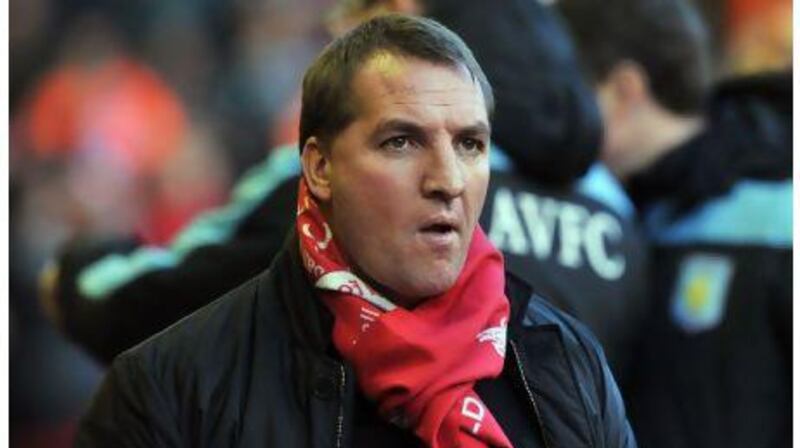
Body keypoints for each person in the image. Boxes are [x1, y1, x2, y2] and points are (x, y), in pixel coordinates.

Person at [69, 14, 665, 448]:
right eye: (402, 142)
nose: (448, 180)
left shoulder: (565, 362)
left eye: (470, 145)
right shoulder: (168, 391)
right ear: (320, 167)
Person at [43, 0, 647, 381]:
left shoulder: (328, 178)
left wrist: (68, 278)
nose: (333, 37)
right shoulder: (616, 213)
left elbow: (145, 304)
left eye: (347, 16)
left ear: (395, 13)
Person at [558, 0, 792, 448]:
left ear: (624, 91)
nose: (557, 117)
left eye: (570, 95)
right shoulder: (625, 212)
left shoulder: (777, 208)